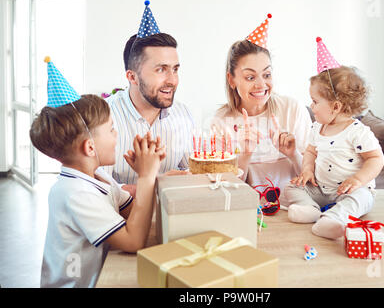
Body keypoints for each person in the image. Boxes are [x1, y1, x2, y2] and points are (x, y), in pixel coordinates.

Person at [30, 90, 165, 287]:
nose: (116, 134)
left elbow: (133, 213)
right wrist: (146, 176)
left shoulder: (98, 176)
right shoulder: (76, 193)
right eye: (111, 129)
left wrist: (147, 170)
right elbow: (133, 240)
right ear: (90, 148)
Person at [212, 23, 312, 206]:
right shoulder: (221, 121)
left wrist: (293, 154)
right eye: (250, 77)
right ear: (231, 79)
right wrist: (245, 155)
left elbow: (314, 180)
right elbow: (224, 193)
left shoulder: (292, 109)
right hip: (249, 213)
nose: (261, 85)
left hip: (296, 211)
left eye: (266, 75)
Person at [284, 63, 384, 240]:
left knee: (361, 198)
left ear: (336, 107)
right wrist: (307, 170)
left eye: (315, 101)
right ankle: (310, 209)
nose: (311, 106)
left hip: (349, 191)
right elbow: (310, 152)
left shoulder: (357, 132)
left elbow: (376, 158)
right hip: (321, 189)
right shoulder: (317, 127)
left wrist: (358, 179)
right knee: (292, 186)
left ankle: (333, 219)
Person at [105, 33, 194, 194]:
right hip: (121, 217)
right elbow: (99, 188)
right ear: (132, 77)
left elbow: (192, 170)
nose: (172, 81)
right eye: (161, 70)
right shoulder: (104, 117)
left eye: (175, 69)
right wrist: (158, 186)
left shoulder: (182, 113)